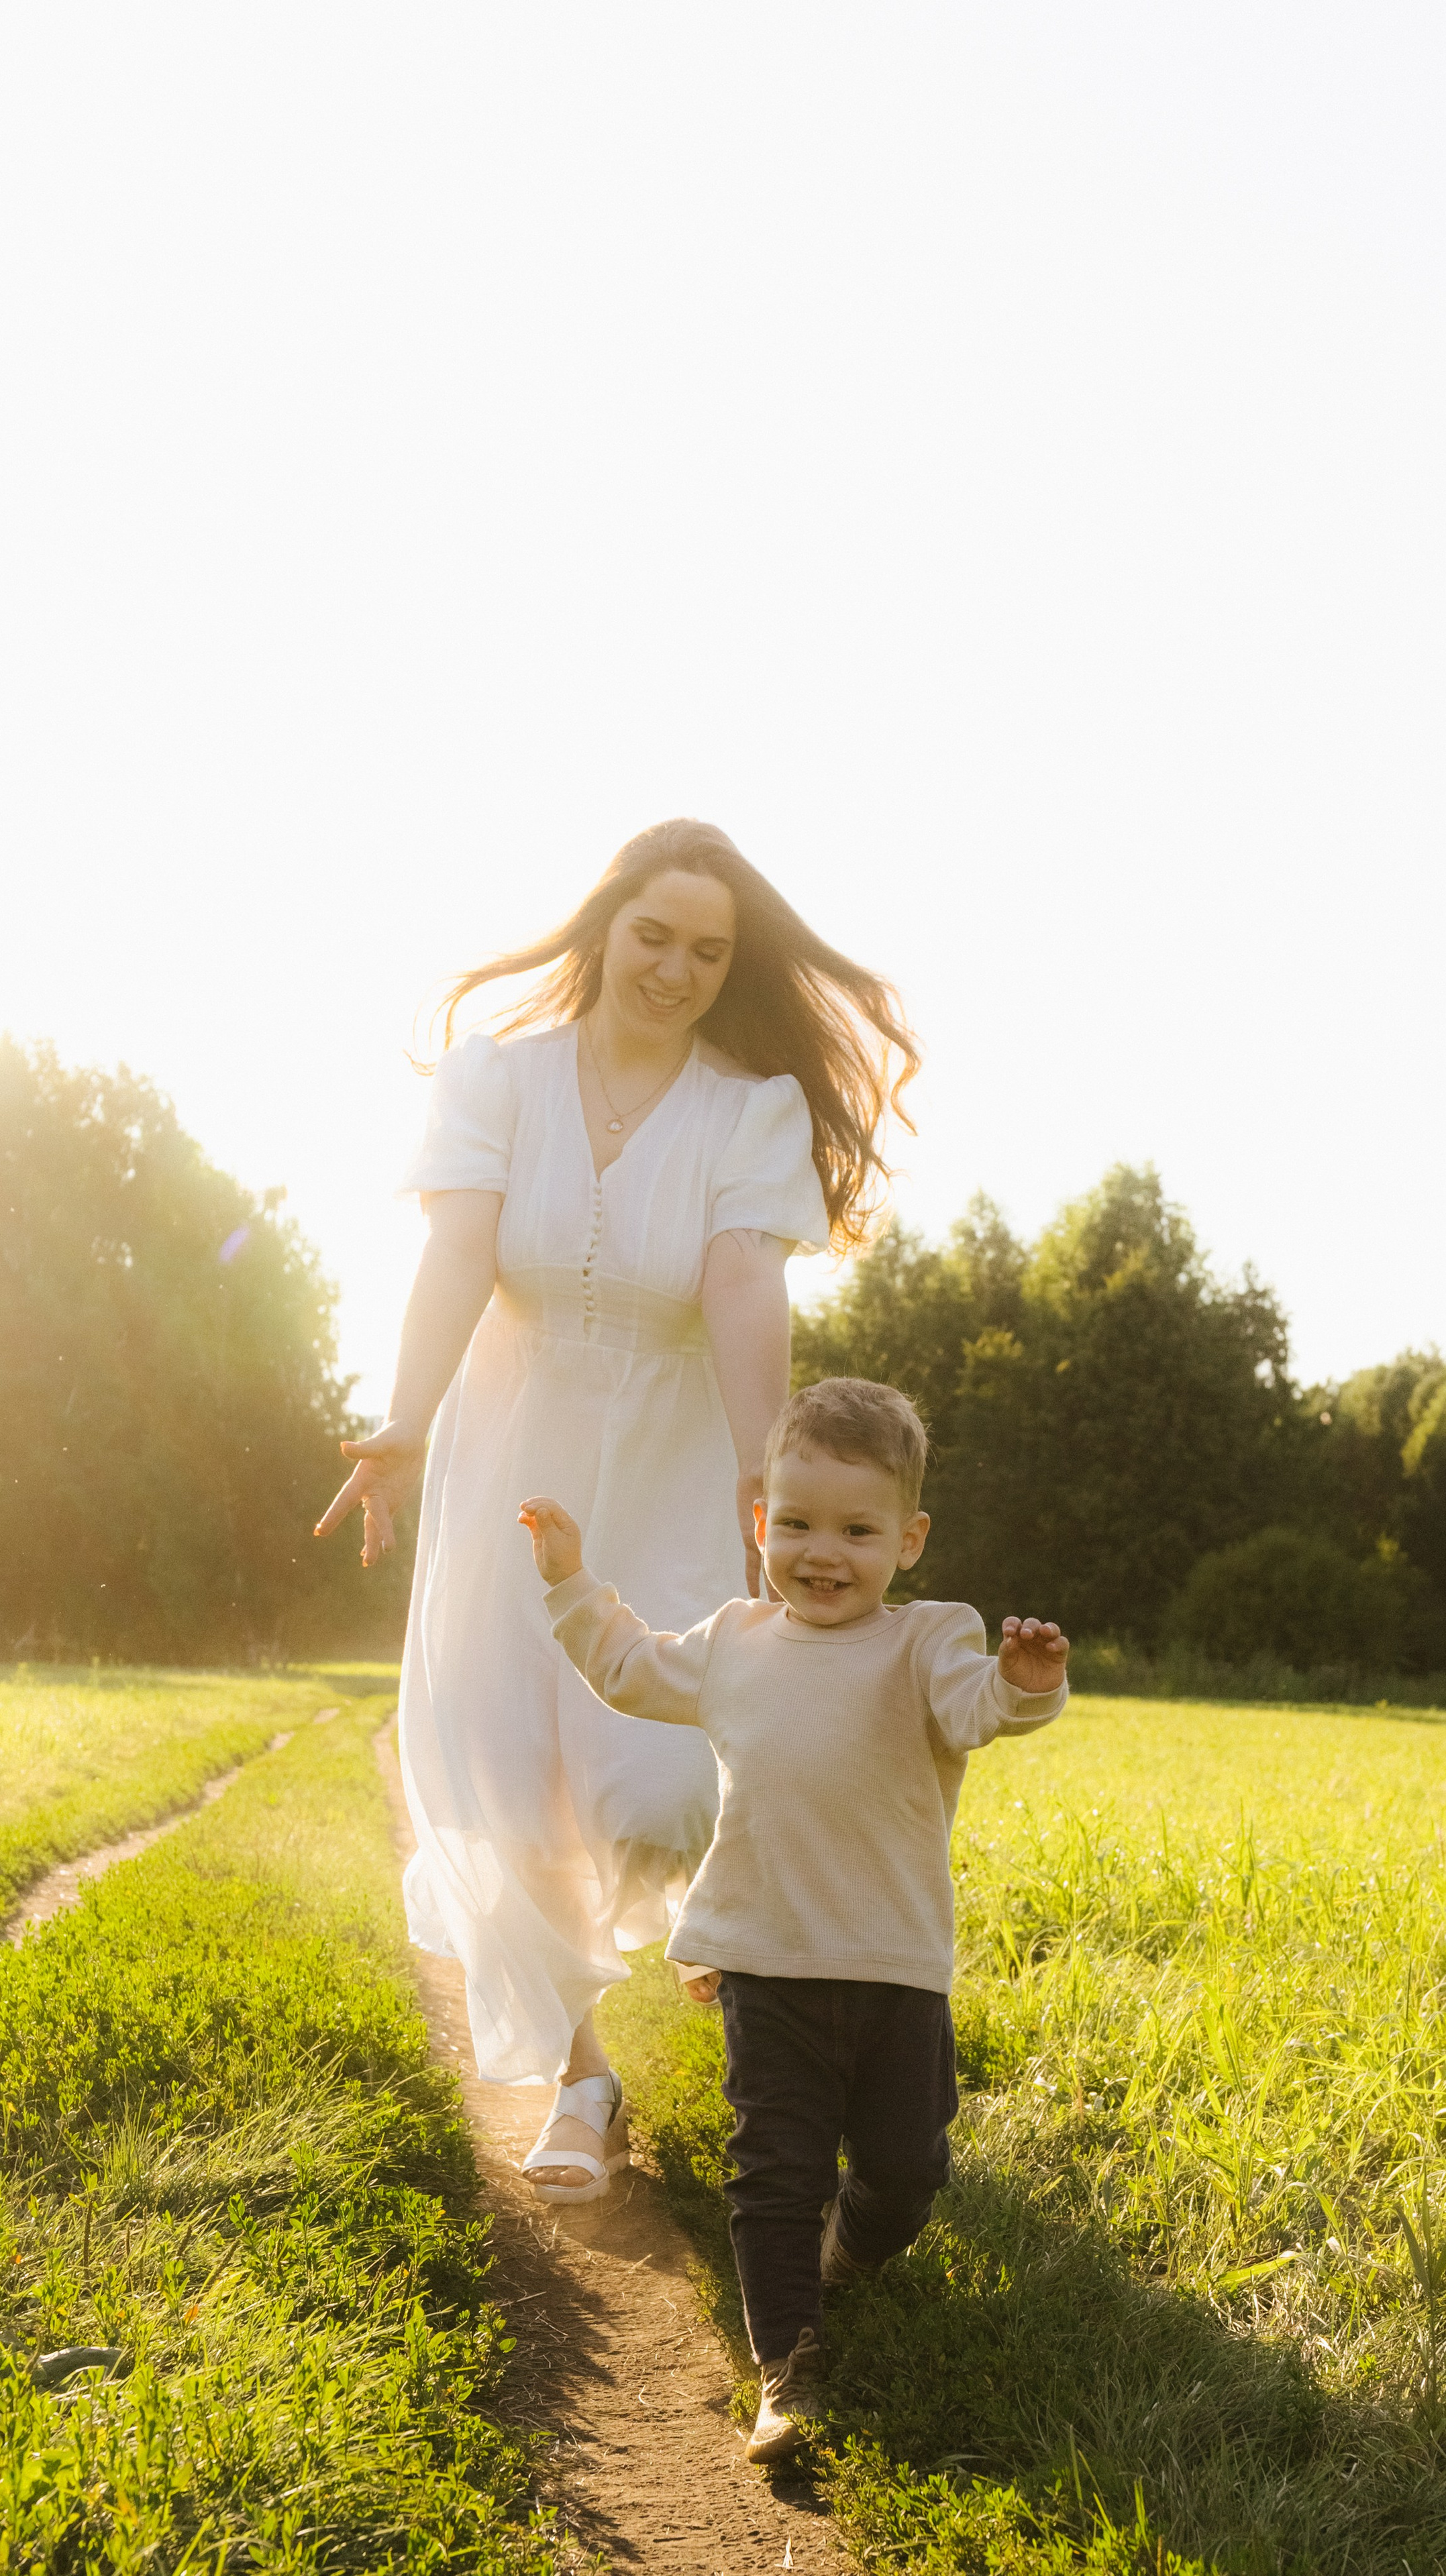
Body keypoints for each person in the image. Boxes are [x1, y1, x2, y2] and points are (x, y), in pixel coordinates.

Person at [315, 819, 919, 2200]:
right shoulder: (498, 1078)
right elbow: (458, 1250)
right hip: (506, 1465)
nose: (676, 968)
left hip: (661, 1461)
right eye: (654, 936)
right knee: (503, 1769)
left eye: (709, 951)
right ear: (602, 927)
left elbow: (737, 1285)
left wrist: (761, 1464)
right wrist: (403, 1425)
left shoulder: (745, 1108)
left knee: (652, 1777)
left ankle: (722, 1950)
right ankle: (581, 2081)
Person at [518, 1375, 1070, 2463]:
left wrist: (1025, 1679)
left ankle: (843, 2259)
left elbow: (980, 1708)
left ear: (907, 1539)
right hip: (765, 1963)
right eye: (802, 1524)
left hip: (894, 1967)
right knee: (776, 2171)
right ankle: (789, 2370)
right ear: (760, 1522)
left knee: (906, 2173)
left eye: (859, 1531)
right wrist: (571, 1581)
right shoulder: (736, 1641)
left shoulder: (930, 1645)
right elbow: (628, 1670)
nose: (827, 1553)